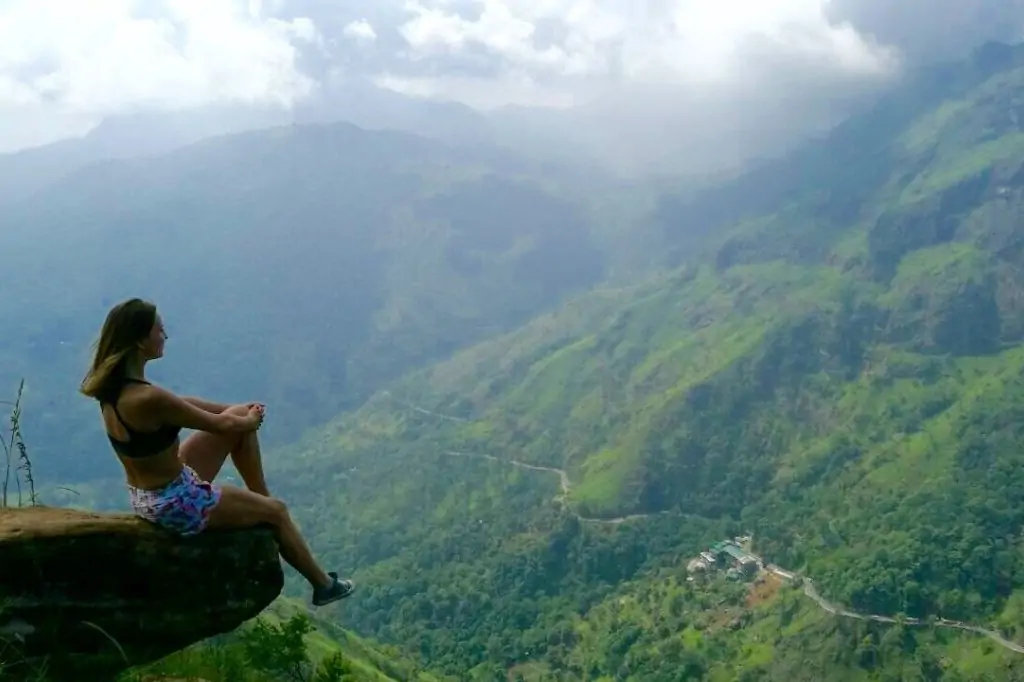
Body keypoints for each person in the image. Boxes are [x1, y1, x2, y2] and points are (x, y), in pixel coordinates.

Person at [80, 297, 354, 607]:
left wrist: (236, 411)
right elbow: (221, 426)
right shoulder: (148, 399)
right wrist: (248, 419)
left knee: (238, 419)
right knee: (276, 511)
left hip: (149, 494)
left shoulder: (116, 391)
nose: (164, 336)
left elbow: (186, 404)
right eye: (160, 330)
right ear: (141, 340)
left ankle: (259, 499)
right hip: (177, 503)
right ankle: (323, 585)